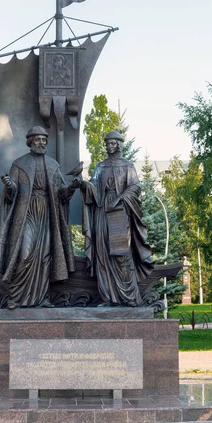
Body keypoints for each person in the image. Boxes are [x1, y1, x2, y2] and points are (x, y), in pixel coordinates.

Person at [0, 126, 78, 309]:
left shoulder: (52, 165)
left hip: (47, 214)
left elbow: (62, 195)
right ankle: (15, 296)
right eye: (37, 140)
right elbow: (11, 196)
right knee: (25, 254)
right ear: (30, 142)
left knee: (46, 256)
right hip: (27, 214)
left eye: (43, 140)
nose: (41, 143)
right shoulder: (19, 164)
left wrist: (72, 187)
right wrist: (9, 186)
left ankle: (42, 298)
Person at [79, 131, 154, 306]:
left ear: (119, 145)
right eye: (107, 143)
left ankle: (129, 297)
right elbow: (94, 188)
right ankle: (108, 297)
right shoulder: (100, 166)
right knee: (103, 253)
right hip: (101, 212)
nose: (108, 146)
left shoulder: (127, 166)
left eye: (112, 143)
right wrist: (83, 184)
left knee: (121, 255)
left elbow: (135, 187)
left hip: (119, 212)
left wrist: (120, 198)